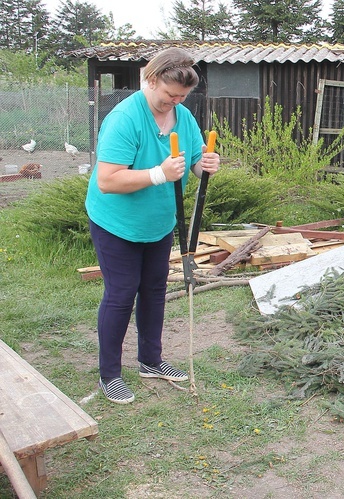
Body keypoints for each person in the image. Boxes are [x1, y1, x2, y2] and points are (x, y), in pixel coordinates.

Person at [85, 47, 220, 404]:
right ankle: (109, 374)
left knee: (155, 290)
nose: (174, 102)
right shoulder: (125, 118)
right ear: (151, 78)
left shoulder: (182, 117)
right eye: (169, 95)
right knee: (121, 292)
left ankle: (151, 360)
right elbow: (107, 180)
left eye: (181, 97)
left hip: (159, 222)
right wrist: (158, 173)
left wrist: (203, 165)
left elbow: (190, 162)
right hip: (117, 222)